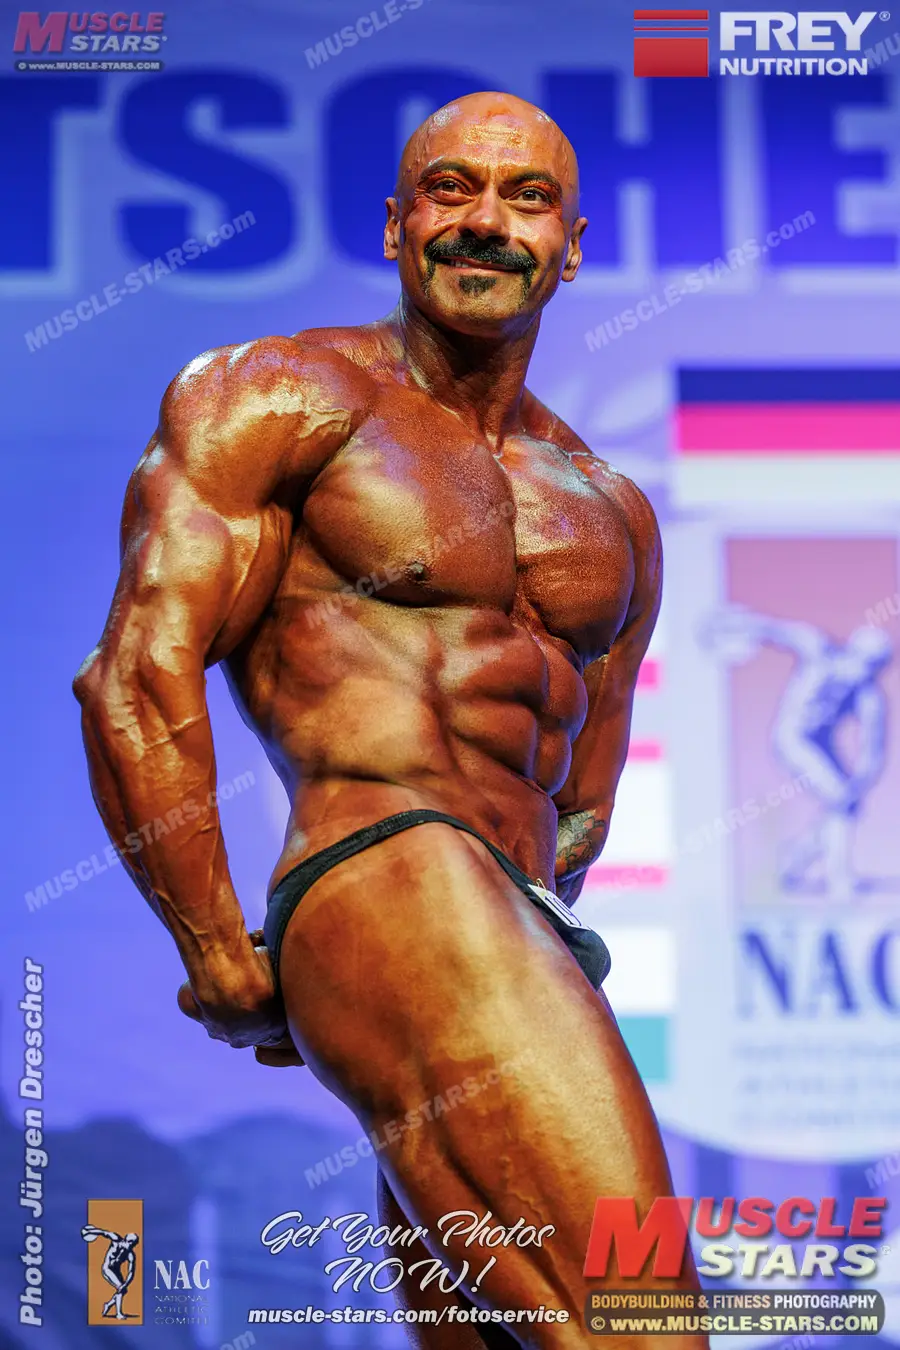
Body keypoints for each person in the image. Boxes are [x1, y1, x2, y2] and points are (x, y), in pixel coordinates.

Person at [75, 91, 704, 1346]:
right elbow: (138, 672)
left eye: (527, 199)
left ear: (572, 245)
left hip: (508, 929)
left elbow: (582, 796)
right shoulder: (284, 396)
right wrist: (216, 948)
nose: (487, 222)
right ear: (395, 224)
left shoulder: (612, 508)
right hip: (387, 867)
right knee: (645, 1321)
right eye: (451, 189)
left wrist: (526, 937)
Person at [704, 606, 892, 901]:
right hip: (792, 738)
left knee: (845, 804)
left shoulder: (868, 697)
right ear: (853, 651)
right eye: (864, 661)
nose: (863, 672)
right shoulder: (818, 649)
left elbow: (873, 750)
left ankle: (795, 862)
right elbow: (773, 629)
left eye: (874, 668)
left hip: (821, 744)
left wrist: (858, 785)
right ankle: (839, 880)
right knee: (839, 799)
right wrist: (735, 626)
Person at [81, 1226, 140, 1320]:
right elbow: (103, 1232)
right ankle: (119, 1313)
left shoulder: (130, 1255)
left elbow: (131, 1273)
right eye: (130, 1242)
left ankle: (108, 1305)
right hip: (107, 1268)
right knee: (120, 1288)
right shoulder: (115, 1239)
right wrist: (90, 1231)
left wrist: (125, 1284)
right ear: (125, 1240)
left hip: (116, 1271)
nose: (131, 1246)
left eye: (133, 1244)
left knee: (123, 1289)